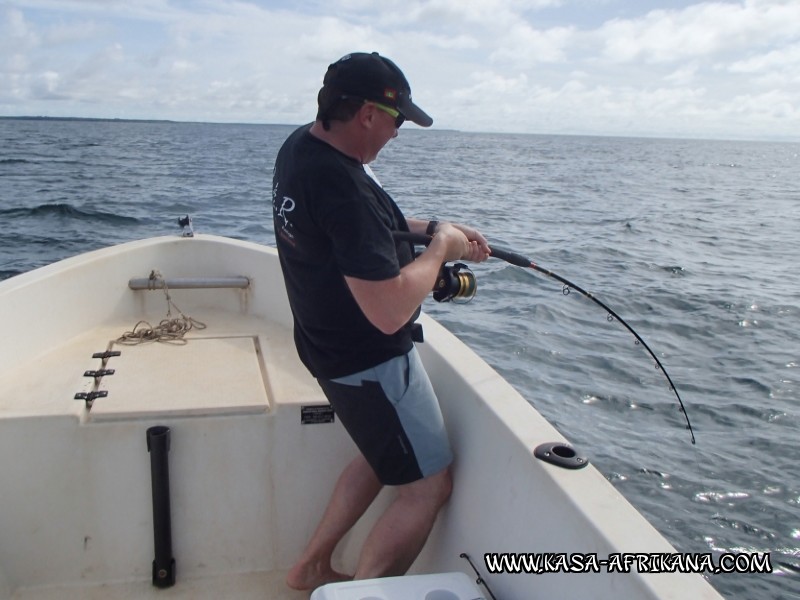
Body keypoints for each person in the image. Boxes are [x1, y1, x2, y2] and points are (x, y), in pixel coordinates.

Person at [272, 51, 491, 591]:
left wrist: (433, 227)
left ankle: (311, 568)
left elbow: (365, 228)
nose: (398, 133)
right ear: (368, 114)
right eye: (397, 120)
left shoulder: (303, 146)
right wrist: (440, 250)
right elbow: (389, 310)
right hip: (369, 360)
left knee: (378, 455)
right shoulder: (342, 186)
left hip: (326, 348)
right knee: (427, 486)